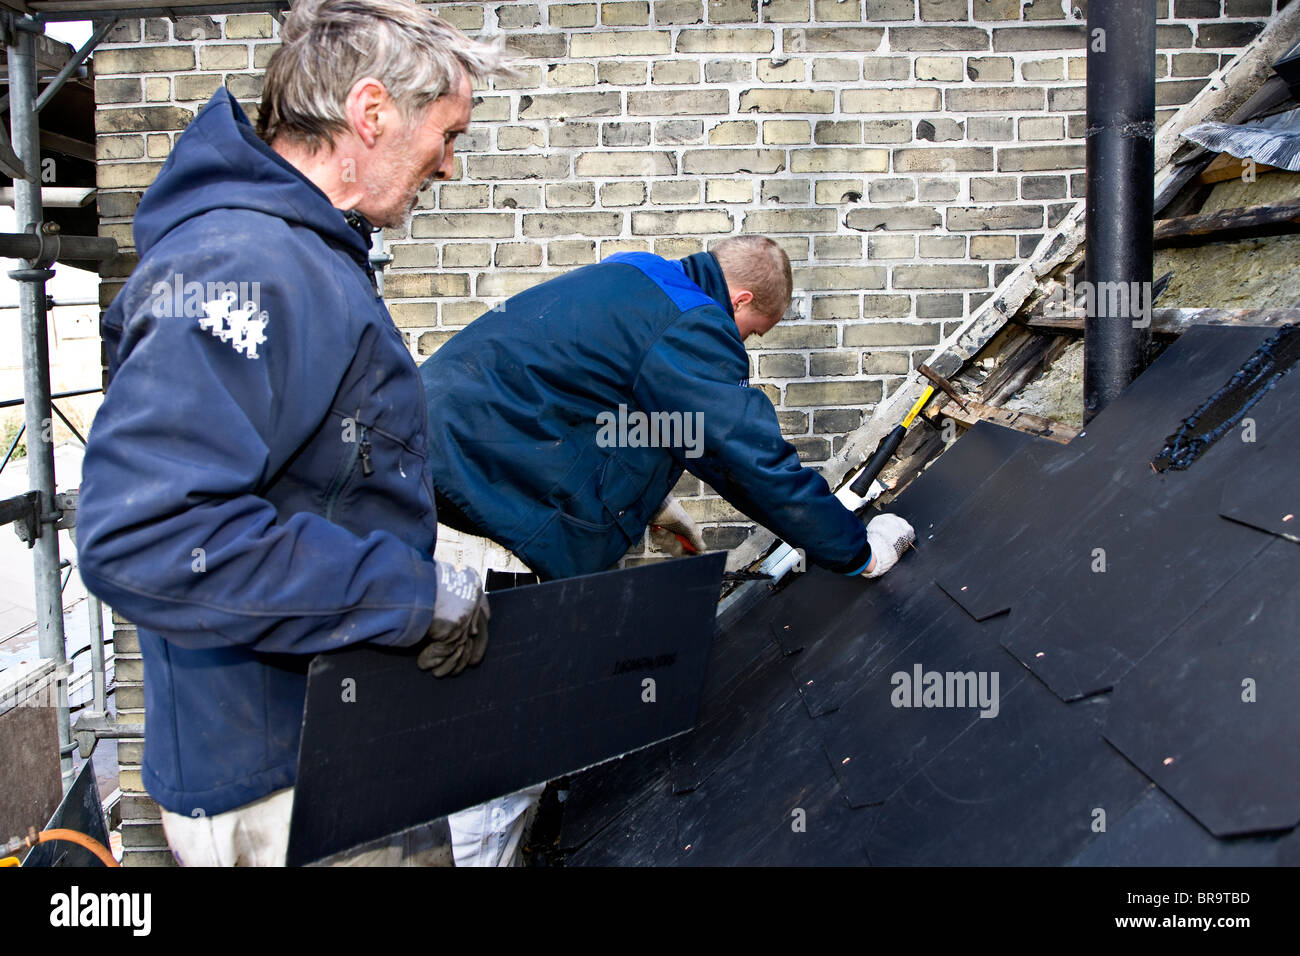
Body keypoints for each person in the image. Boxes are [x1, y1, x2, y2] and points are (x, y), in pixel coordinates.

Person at [75, 0, 510, 867]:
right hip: (291, 783)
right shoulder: (245, 264)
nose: (450, 167)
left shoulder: (297, 254)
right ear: (373, 112)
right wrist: (407, 598)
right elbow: (149, 533)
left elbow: (318, 476)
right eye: (448, 133)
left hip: (321, 746)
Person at [421, 236, 917, 584]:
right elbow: (746, 458)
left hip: (418, 465)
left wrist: (650, 502)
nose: (743, 343)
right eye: (752, 329)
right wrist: (858, 553)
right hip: (474, 512)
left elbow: (591, 406)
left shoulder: (634, 272)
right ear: (739, 298)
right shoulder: (692, 322)